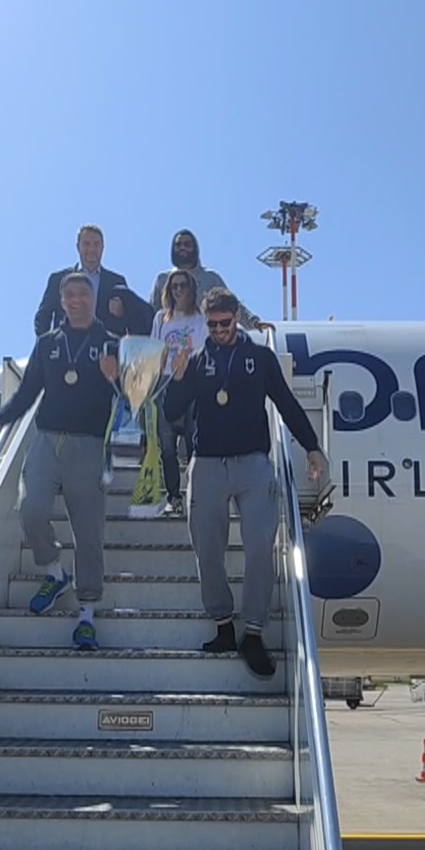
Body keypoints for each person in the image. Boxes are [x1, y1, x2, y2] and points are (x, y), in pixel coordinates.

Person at [165, 287, 326, 679]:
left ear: (236, 317)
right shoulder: (197, 360)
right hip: (207, 464)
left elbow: (286, 404)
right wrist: (178, 377)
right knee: (208, 550)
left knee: (259, 548)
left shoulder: (260, 358)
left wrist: (312, 447)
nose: (219, 330)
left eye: (225, 323)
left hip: (253, 464)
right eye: (212, 325)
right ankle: (223, 625)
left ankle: (252, 632)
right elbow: (171, 412)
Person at [0, 272, 121, 649]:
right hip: (47, 439)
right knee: (30, 510)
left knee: (88, 532)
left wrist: (116, 378)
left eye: (83, 294)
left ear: (93, 298)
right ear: (62, 302)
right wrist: (0, 419)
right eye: (70, 295)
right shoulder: (47, 344)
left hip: (90, 444)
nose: (76, 300)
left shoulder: (110, 343)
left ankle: (87, 613)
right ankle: (55, 572)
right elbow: (29, 391)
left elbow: (131, 396)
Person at [148, 266, 208, 516]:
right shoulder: (161, 318)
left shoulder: (200, 319)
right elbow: (155, 349)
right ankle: (173, 496)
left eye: (183, 285)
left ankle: (197, 494)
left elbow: (204, 350)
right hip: (166, 382)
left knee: (194, 442)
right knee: (167, 445)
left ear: (191, 289)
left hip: (192, 383)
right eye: (174, 286)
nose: (179, 290)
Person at [33, 224, 153, 337]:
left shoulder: (116, 282)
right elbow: (42, 318)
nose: (91, 249)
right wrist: (47, 346)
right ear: (78, 247)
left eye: (96, 244)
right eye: (86, 244)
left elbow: (132, 321)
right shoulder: (58, 280)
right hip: (67, 348)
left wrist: (122, 312)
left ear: (102, 248)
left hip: (105, 349)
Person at [148, 230, 269, 332]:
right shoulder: (162, 279)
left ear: (195, 248)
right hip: (169, 343)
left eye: (187, 244)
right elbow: (150, 313)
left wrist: (253, 322)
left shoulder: (210, 279)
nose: (182, 248)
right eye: (178, 245)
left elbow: (231, 304)